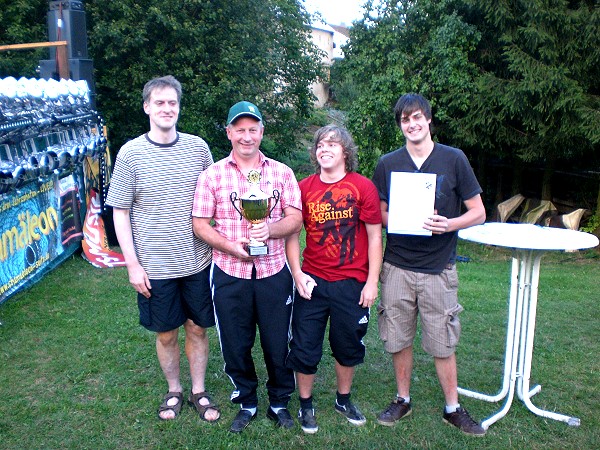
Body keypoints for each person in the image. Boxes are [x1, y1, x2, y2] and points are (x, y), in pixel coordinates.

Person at [106, 75, 220, 422]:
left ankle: (198, 390)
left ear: (179, 107)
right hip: (155, 266)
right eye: (160, 103)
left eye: (172, 102)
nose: (167, 108)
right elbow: (120, 212)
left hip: (197, 261)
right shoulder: (130, 153)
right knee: (166, 332)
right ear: (147, 107)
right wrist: (132, 265)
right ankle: (174, 390)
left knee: (198, 328)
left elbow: (214, 198)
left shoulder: (199, 148)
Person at [372, 93, 487, 436]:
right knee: (398, 337)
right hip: (397, 266)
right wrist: (400, 219)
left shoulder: (454, 159)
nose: (412, 124)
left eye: (417, 117)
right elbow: (378, 212)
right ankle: (402, 399)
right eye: (406, 120)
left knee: (442, 341)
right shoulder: (388, 163)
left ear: (429, 120)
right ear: (400, 125)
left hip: (439, 267)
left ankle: (452, 407)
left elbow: (478, 212)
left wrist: (449, 224)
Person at [192, 101, 302, 433]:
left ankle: (280, 401)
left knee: (276, 341)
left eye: (252, 129)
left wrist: (270, 229)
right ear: (228, 133)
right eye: (239, 129)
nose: (246, 136)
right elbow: (200, 224)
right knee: (236, 343)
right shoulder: (212, 174)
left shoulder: (281, 172)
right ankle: (247, 400)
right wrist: (230, 246)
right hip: (228, 272)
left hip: (273, 272)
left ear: (261, 132)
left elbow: (296, 218)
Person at [286, 125, 383, 434]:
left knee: (347, 344)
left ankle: (343, 399)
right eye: (320, 145)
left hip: (351, 283)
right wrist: (297, 273)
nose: (324, 149)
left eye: (332, 144)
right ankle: (305, 404)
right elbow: (291, 234)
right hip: (312, 280)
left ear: (346, 152)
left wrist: (372, 282)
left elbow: (374, 237)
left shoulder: (363, 187)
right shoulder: (303, 188)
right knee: (304, 345)